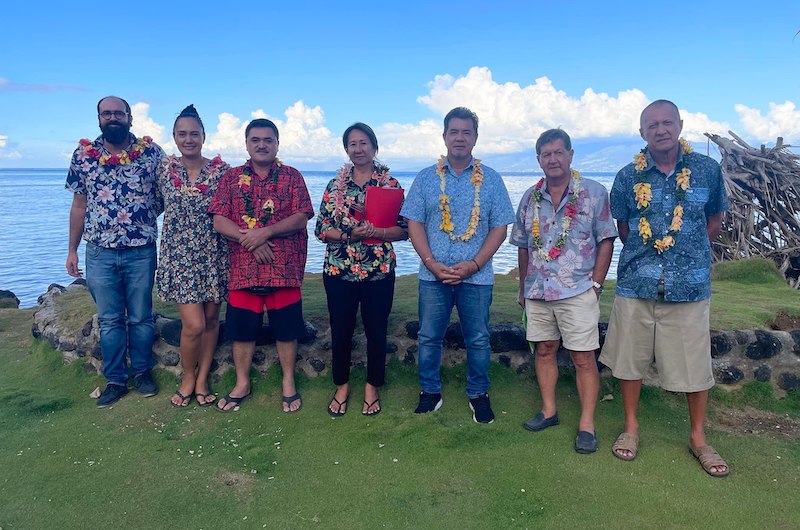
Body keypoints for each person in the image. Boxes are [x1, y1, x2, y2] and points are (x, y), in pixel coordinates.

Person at [599, 100, 730, 476]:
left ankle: (698, 438)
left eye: (667, 122)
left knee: (695, 364)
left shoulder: (707, 170)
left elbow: (715, 220)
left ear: (680, 125)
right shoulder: (628, 176)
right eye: (652, 125)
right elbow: (624, 227)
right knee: (629, 360)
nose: (661, 129)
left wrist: (687, 255)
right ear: (642, 132)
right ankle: (630, 427)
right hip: (636, 283)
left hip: (690, 286)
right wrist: (647, 258)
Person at [401, 107, 515, 424]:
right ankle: (429, 392)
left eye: (467, 132)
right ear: (444, 136)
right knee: (429, 336)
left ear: (475, 138)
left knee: (478, 338)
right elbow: (414, 223)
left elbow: (499, 228)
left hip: (476, 277)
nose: (460, 138)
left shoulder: (491, 180)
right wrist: (431, 263)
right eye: (454, 131)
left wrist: (475, 264)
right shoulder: (426, 178)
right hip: (432, 275)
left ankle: (478, 394)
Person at [509, 129, 617, 453]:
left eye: (559, 152)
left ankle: (587, 425)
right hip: (539, 290)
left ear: (570, 154)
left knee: (583, 357)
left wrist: (596, 285)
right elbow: (523, 246)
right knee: (544, 350)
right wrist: (522, 287)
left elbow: (606, 240)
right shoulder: (529, 198)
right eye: (546, 154)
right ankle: (548, 411)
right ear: (538, 159)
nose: (553, 159)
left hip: (578, 289)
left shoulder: (593, 193)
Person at [65, 95, 165, 408]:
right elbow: (79, 205)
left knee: (141, 317)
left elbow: (167, 194)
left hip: (140, 250)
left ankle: (143, 373)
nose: (112, 118)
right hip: (99, 252)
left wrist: (142, 217)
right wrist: (71, 250)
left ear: (129, 117)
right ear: (99, 118)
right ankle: (115, 380)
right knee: (109, 320)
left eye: (118, 113)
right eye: (106, 113)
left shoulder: (151, 153)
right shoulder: (84, 155)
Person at [209, 118, 314, 413]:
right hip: (244, 268)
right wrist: (252, 240)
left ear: (277, 144)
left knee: (287, 329)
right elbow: (219, 220)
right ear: (246, 144)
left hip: (284, 268)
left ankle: (288, 382)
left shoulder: (292, 176)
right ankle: (242, 383)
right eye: (255, 139)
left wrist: (265, 232)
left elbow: (301, 217)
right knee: (241, 330)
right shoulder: (231, 178)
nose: (262, 145)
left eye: (268, 139)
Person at [314, 123, 408, 417]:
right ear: (346, 149)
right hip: (339, 270)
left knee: (376, 331)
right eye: (352, 144)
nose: (358, 149)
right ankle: (341, 386)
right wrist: (348, 235)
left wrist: (378, 232)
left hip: (378, 270)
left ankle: (372, 387)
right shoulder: (334, 185)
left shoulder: (390, 185)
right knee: (341, 330)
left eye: (364, 143)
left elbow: (404, 230)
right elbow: (320, 229)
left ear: (374, 147)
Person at [157, 105, 230, 408]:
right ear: (174, 137)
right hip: (179, 256)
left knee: (211, 320)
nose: (188, 139)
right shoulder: (163, 170)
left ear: (204, 136)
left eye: (194, 134)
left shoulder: (222, 171)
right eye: (182, 134)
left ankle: (202, 379)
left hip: (214, 254)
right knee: (194, 325)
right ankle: (188, 377)